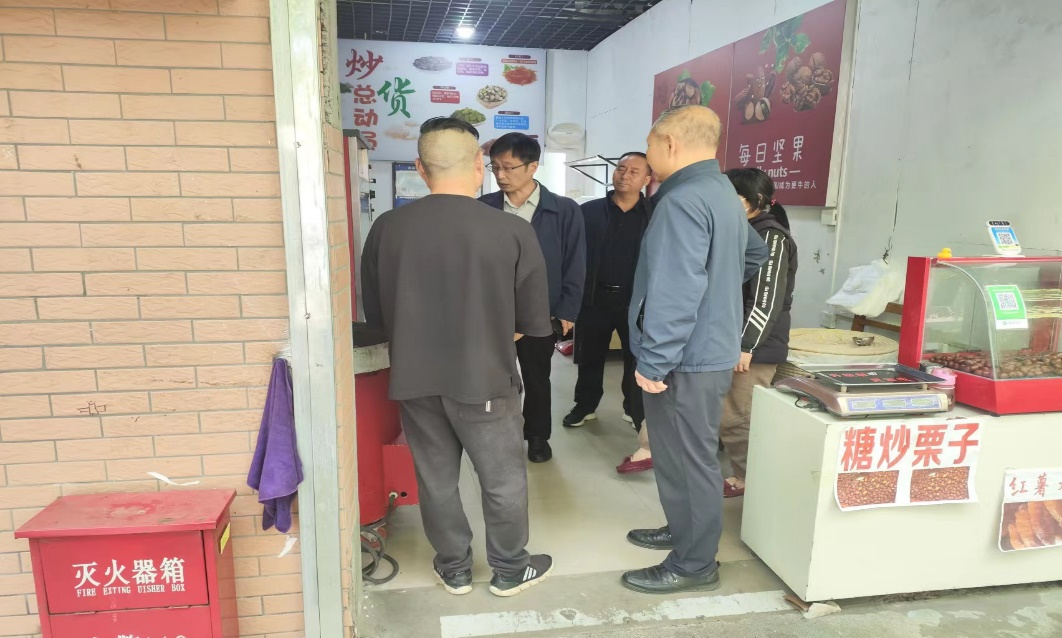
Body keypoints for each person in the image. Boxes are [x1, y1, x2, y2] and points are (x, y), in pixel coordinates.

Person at [361, 118, 555, 598]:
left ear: (420, 169)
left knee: (436, 479)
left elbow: (379, 318)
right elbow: (532, 321)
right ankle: (510, 568)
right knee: (502, 479)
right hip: (485, 378)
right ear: (478, 166)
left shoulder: (386, 229)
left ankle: (454, 568)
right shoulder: (511, 231)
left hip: (414, 379)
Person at [622, 105, 768, 595]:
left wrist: (655, 359)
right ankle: (684, 530)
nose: (647, 156)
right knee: (678, 455)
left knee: (689, 459)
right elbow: (754, 253)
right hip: (705, 348)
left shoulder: (682, 200)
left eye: (649, 146)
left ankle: (694, 562)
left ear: (670, 143)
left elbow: (676, 287)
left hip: (683, 357)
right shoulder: (721, 191)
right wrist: (719, 291)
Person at [479, 133, 586, 464]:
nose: (500, 175)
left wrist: (567, 310)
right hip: (493, 312)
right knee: (494, 377)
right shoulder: (484, 208)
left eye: (508, 167)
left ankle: (538, 436)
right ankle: (498, 433)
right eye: (495, 167)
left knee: (537, 377)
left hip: (541, 311)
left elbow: (576, 262)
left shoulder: (563, 210)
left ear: (533, 166)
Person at [563, 153, 652, 441]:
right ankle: (585, 406)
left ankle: (634, 410)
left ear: (647, 179)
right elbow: (572, 256)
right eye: (621, 169)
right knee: (590, 357)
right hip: (594, 298)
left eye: (634, 171)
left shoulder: (655, 214)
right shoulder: (588, 212)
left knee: (635, 359)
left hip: (636, 303)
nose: (624, 175)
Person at [720, 168, 798, 498]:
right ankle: (744, 473)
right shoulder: (745, 230)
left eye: (730, 196)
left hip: (754, 346)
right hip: (735, 340)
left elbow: (766, 297)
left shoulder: (770, 237)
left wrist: (747, 345)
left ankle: (750, 480)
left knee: (739, 416)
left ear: (755, 201)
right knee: (731, 413)